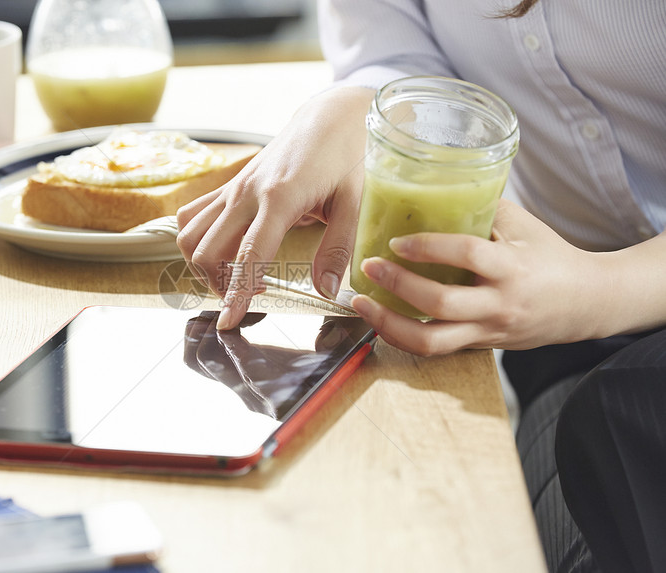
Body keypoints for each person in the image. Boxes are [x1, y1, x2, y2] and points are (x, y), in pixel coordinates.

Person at [174, 1, 666, 571]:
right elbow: (400, 61)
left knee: (610, 420)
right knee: (557, 514)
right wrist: (350, 105)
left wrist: (604, 290)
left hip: (577, 316)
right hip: (553, 328)